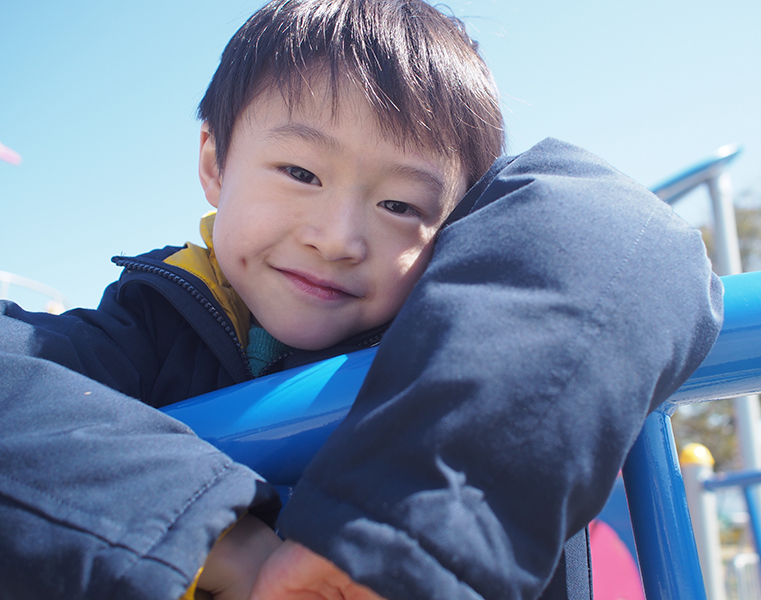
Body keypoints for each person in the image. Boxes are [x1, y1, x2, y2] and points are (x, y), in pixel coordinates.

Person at [0, 0, 723, 598]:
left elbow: (627, 236)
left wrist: (392, 547)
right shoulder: (147, 327)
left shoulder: (466, 319)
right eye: (301, 172)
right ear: (215, 163)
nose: (340, 237)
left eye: (402, 206)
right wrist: (223, 541)